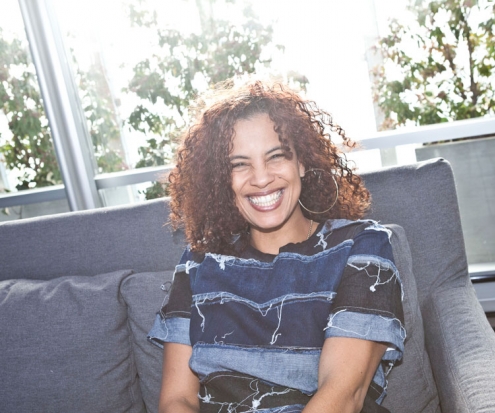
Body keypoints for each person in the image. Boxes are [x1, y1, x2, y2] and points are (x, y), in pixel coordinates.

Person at [148, 79, 405, 413]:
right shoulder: (198, 265)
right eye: (239, 164)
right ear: (221, 179)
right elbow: (176, 400)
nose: (261, 178)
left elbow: (343, 396)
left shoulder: (360, 246)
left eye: (276, 157)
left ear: (302, 162)